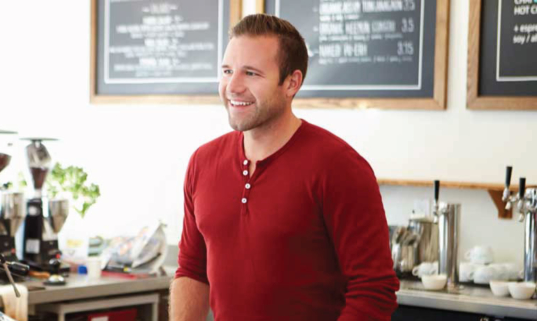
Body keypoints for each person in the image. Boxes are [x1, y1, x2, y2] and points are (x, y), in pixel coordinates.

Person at [170, 14, 399, 321]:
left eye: (251, 73)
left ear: (292, 83)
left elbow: (373, 290)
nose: (233, 86)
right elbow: (192, 270)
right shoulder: (203, 161)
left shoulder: (340, 167)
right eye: (227, 71)